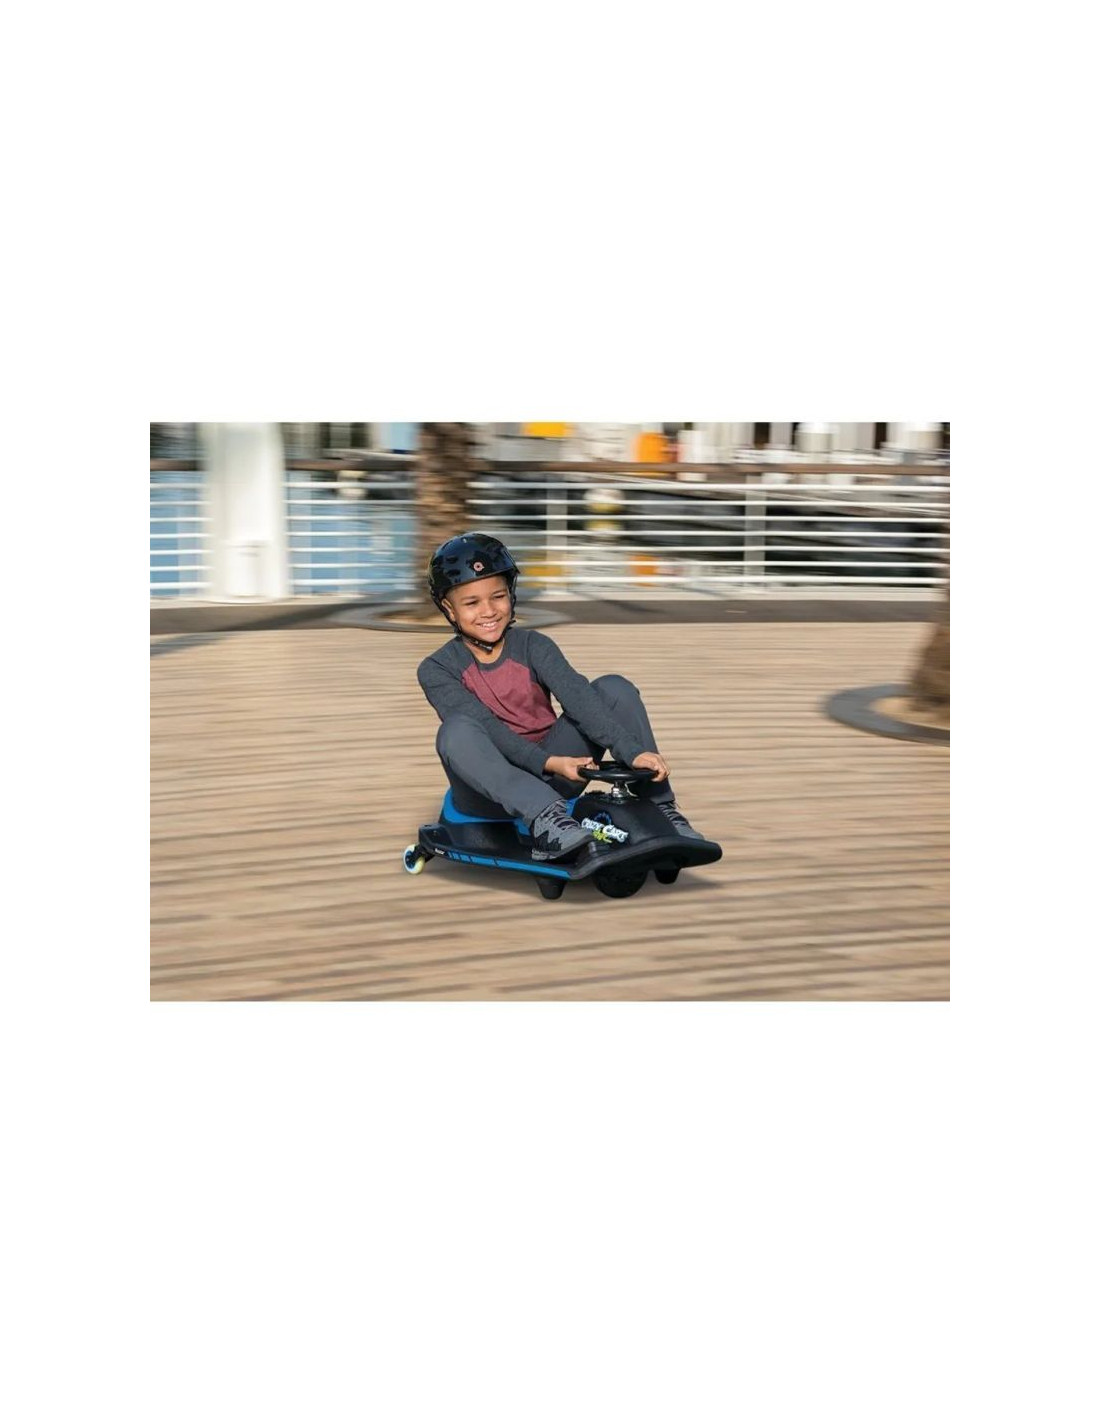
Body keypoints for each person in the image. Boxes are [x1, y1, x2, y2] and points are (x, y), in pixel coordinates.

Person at [417, 531, 703, 861]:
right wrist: (550, 763)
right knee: (455, 731)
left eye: (498, 596)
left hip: (556, 775)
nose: (489, 611)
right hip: (488, 791)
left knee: (614, 689)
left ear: (511, 593)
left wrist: (631, 751)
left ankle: (660, 809)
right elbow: (490, 730)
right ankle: (543, 818)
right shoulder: (436, 669)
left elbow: (579, 698)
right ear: (449, 609)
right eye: (472, 603)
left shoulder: (534, 646)